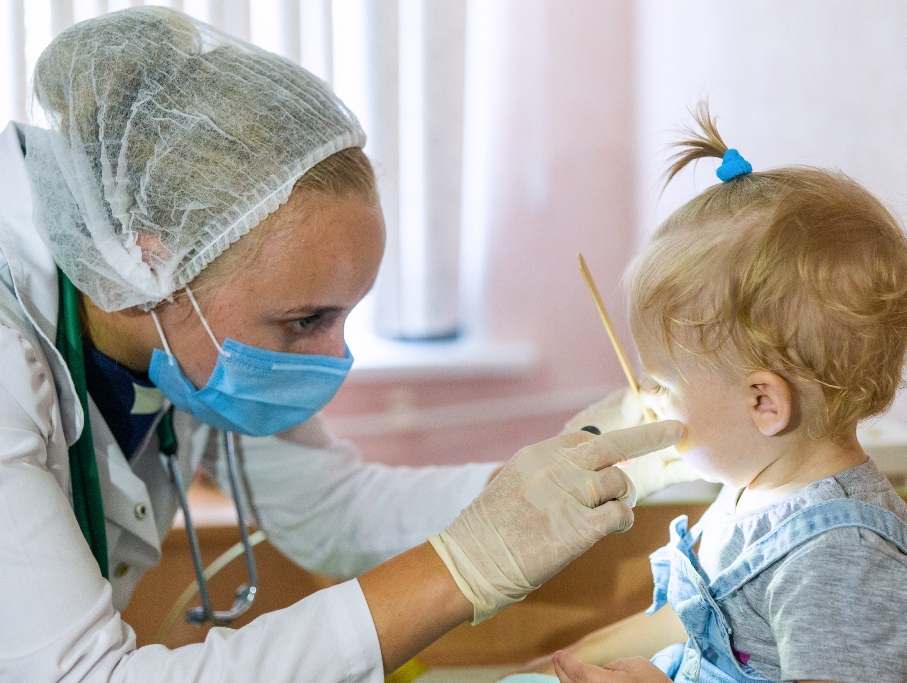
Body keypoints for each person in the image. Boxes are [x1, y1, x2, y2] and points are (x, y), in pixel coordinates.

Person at [0, 8, 687, 682]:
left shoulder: (181, 338)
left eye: (344, 317)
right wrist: (464, 567)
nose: (335, 358)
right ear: (148, 263)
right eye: (305, 321)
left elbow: (334, 511)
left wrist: (565, 471)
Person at [516, 103, 907, 683]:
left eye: (664, 383)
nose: (647, 397)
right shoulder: (759, 486)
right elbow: (696, 620)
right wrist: (566, 659)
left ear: (763, 404)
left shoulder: (842, 560)